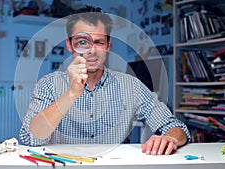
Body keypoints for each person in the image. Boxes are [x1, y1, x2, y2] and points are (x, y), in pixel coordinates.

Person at [20, 5, 190, 155]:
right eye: (82, 42)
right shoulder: (48, 85)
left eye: (99, 42)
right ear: (69, 45)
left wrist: (170, 139)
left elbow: (175, 127)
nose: (91, 51)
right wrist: (71, 94)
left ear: (108, 46)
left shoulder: (131, 86)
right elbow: (31, 138)